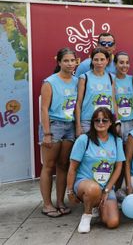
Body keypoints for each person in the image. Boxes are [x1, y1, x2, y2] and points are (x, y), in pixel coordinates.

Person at [66, 107, 125, 233]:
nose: (101, 123)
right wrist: (70, 191)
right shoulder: (83, 139)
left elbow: (118, 167)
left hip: (106, 187)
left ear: (110, 123)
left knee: (112, 222)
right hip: (85, 184)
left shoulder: (116, 141)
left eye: (105, 120)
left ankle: (97, 205)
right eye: (97, 120)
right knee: (93, 189)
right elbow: (72, 167)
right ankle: (87, 215)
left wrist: (108, 189)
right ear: (92, 122)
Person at [39, 48, 78, 218]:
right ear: (59, 62)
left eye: (72, 60)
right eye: (66, 61)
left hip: (69, 126)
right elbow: (44, 109)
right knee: (48, 166)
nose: (70, 64)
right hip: (54, 126)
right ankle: (47, 205)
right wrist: (47, 133)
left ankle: (60, 202)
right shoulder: (50, 82)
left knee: (63, 166)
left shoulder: (77, 81)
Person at [75, 47, 117, 137]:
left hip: (106, 121)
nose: (99, 63)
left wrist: (116, 121)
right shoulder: (84, 78)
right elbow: (78, 103)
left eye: (102, 59)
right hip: (88, 122)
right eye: (96, 59)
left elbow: (113, 101)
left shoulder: (111, 77)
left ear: (107, 60)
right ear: (92, 61)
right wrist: (78, 125)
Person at [114, 52, 133, 142]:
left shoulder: (132, 79)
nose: (125, 65)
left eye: (127, 63)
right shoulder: (111, 79)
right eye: (121, 62)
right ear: (115, 64)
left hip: (131, 122)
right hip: (117, 122)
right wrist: (117, 122)